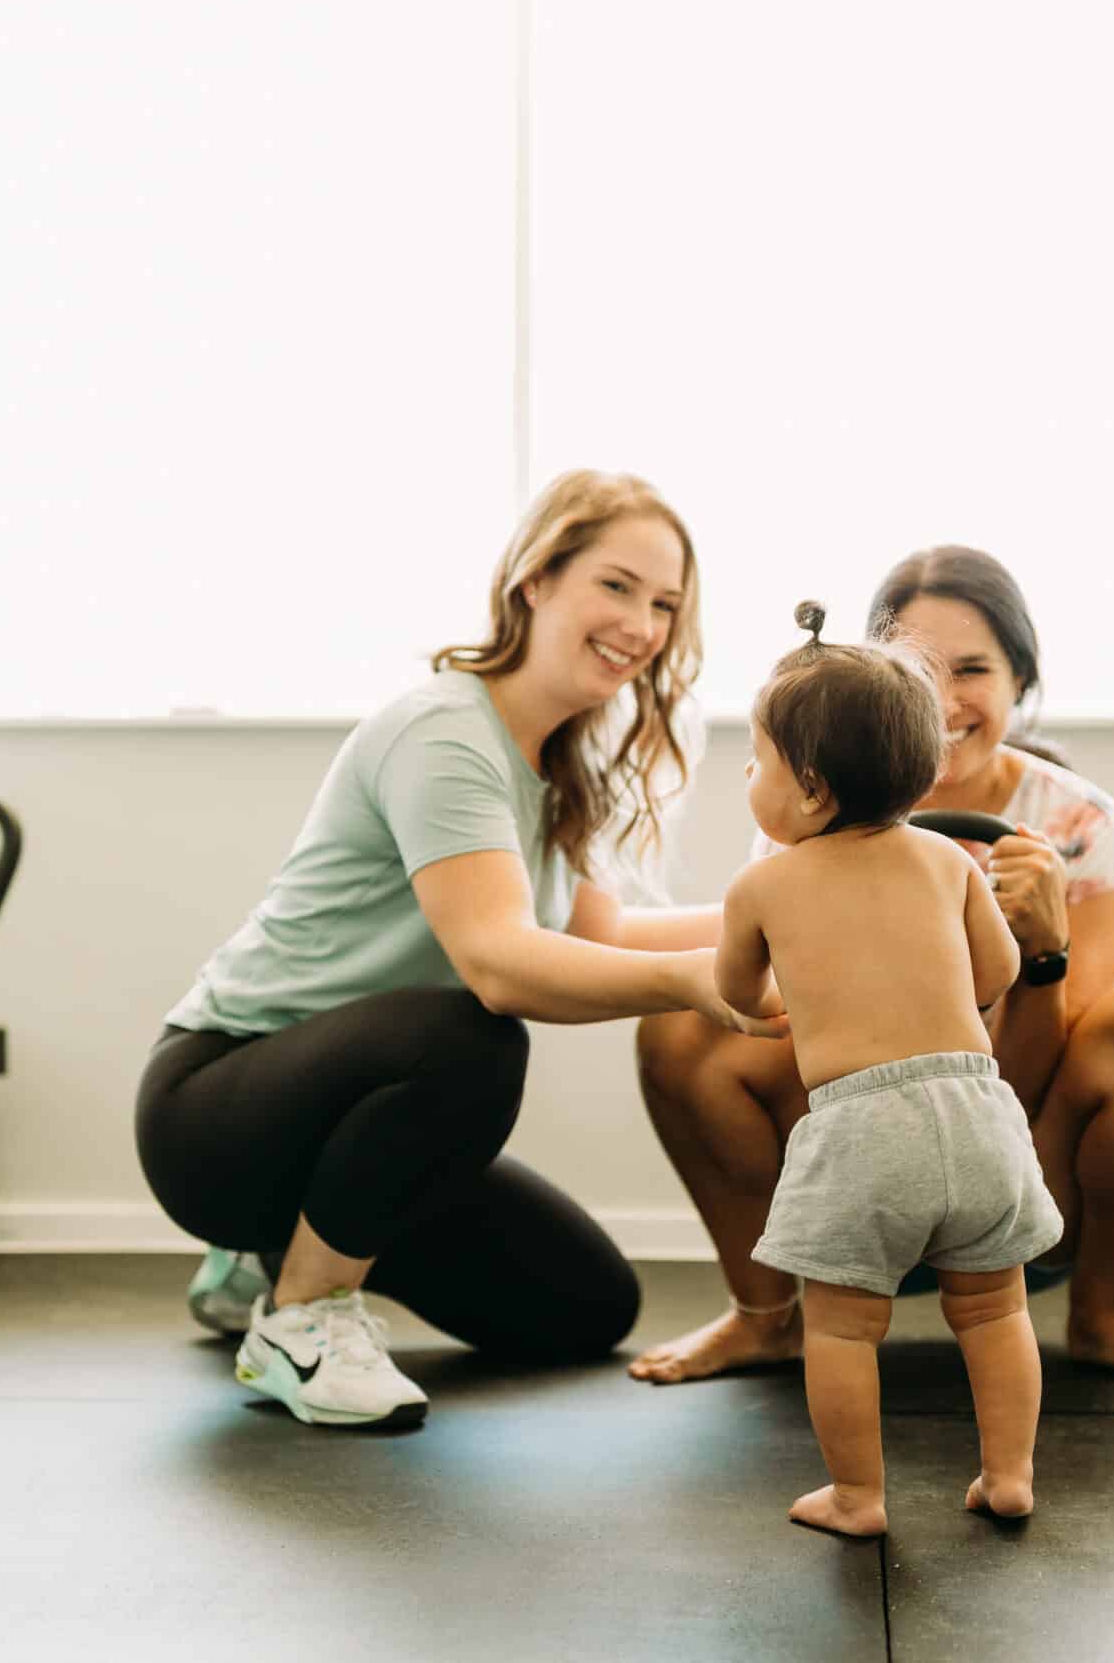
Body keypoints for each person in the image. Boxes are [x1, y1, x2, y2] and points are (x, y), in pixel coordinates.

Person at [137, 470, 784, 1428]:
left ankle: (267, 1255)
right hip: (216, 1109)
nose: (642, 626)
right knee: (475, 1034)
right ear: (535, 579)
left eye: (663, 604)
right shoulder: (445, 729)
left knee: (587, 1309)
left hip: (354, 1107)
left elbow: (600, 936)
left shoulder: (568, 760)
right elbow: (498, 961)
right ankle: (299, 1318)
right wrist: (697, 984)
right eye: (616, 585)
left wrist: (786, 914)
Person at [632, 545, 1114, 1393]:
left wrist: (1042, 953)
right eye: (918, 672)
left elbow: (1033, 1075)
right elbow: (766, 1004)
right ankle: (763, 1317)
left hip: (1015, 1156)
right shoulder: (806, 808)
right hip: (845, 1144)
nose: (944, 701)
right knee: (677, 1017)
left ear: (1021, 681)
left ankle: (1107, 1317)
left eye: (973, 670)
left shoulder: (1081, 826)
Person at [727, 602, 1061, 1537]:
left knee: (840, 1327)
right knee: (996, 1312)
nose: (745, 780)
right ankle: (1009, 1475)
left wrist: (782, 1002)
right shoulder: (948, 862)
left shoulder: (763, 883)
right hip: (976, 1110)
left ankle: (859, 1496)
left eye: (754, 763)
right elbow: (996, 972)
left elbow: (736, 992)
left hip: (859, 1129)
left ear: (810, 788)